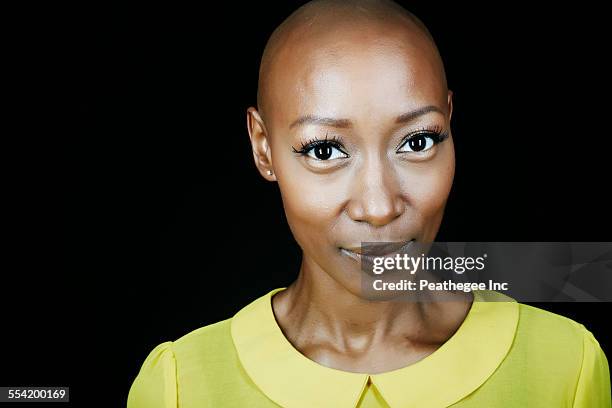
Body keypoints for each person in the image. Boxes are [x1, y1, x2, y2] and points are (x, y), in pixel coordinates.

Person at [127, 0, 611, 406]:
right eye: (324, 151)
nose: (379, 207)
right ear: (262, 147)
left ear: (450, 121)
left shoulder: (564, 367)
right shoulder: (180, 386)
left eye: (417, 142)